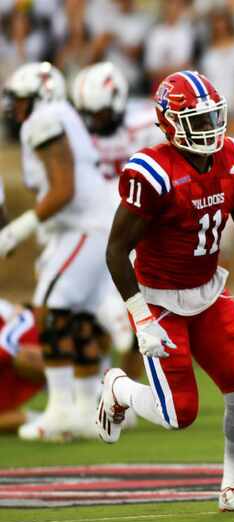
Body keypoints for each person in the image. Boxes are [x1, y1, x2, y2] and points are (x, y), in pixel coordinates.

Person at [96, 70, 234, 512]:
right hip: (159, 299)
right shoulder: (152, 171)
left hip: (208, 293)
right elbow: (116, 252)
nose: (211, 128)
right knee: (179, 414)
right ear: (170, 124)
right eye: (198, 119)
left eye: (214, 116)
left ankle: (232, 486)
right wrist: (140, 319)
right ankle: (119, 388)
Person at [1, 61, 113, 442]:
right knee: (78, 320)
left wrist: (17, 231)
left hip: (83, 224)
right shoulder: (62, 114)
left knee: (50, 313)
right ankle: (86, 411)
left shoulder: (44, 118)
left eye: (19, 100)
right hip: (93, 223)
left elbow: (63, 191)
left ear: (40, 95)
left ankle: (60, 410)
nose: (14, 108)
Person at [72, 61, 165, 426]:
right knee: (104, 317)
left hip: (142, 231)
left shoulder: (145, 124)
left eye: (101, 113)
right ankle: (108, 388)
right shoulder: (78, 133)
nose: (95, 121)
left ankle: (128, 390)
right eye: (89, 114)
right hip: (99, 233)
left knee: (138, 319)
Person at [0, 299, 44, 433]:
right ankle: (49, 419)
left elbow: (22, 314)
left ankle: (94, 390)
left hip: (44, 344)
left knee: (24, 358)